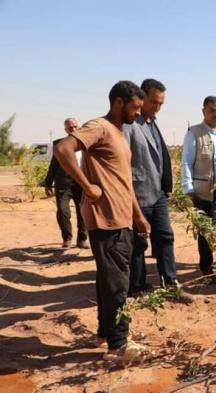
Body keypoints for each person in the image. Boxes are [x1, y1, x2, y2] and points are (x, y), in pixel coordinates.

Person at [54, 80, 150, 362]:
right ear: (119, 102)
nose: (137, 113)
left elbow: (124, 182)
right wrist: (87, 186)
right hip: (105, 218)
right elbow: (63, 150)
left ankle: (106, 332)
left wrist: (138, 216)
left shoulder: (120, 133)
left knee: (109, 279)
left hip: (122, 217)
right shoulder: (99, 126)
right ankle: (119, 345)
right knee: (117, 282)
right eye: (134, 107)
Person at [122, 79, 192, 302]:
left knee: (165, 236)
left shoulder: (153, 122)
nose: (157, 107)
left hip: (158, 193)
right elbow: (123, 161)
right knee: (139, 243)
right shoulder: (131, 124)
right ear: (142, 98)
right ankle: (138, 287)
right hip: (139, 193)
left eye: (161, 103)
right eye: (154, 102)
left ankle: (170, 284)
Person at [181, 96, 216, 276]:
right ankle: (207, 268)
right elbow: (186, 162)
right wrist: (188, 188)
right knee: (206, 231)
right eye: (212, 110)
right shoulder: (194, 133)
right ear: (204, 111)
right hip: (204, 192)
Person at [44, 118, 89, 249]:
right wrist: (48, 183)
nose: (73, 129)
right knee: (63, 212)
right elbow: (53, 165)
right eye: (70, 128)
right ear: (66, 130)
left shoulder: (86, 143)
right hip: (63, 183)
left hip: (81, 183)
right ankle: (67, 238)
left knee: (82, 212)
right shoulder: (59, 144)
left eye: (75, 126)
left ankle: (82, 239)